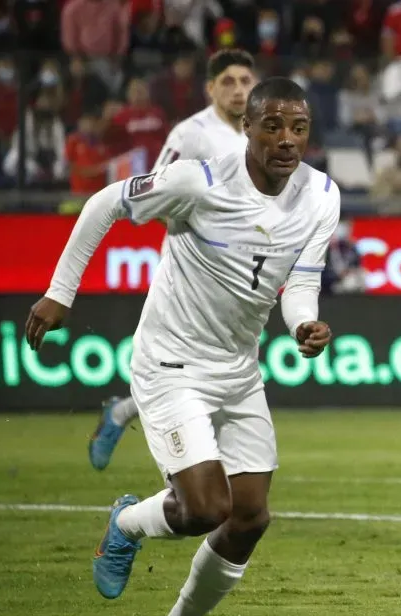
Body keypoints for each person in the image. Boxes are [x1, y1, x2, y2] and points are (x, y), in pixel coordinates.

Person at [25, 77, 340, 616]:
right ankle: (126, 521)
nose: (287, 139)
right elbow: (105, 203)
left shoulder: (323, 195)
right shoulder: (200, 180)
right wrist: (60, 292)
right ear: (245, 128)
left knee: (249, 516)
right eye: (272, 125)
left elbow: (300, 281)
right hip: (172, 362)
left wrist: (303, 324)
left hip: (239, 368)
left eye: (298, 127)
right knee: (202, 508)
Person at [88, 49, 258, 471]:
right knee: (191, 377)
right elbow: (151, 196)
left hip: (239, 276)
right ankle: (191, 488)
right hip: (192, 270)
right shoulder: (190, 134)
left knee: (214, 378)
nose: (239, 90)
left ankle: (123, 413)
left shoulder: (258, 133)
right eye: (229, 82)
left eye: (245, 81)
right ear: (211, 88)